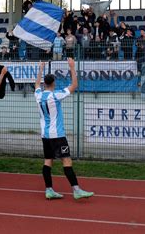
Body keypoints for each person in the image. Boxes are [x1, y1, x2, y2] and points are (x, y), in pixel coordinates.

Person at [34, 59, 93, 200]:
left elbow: (36, 85)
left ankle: (49, 190)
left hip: (45, 135)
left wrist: (40, 69)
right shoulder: (55, 95)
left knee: (48, 161)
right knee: (66, 161)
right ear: (53, 83)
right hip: (57, 135)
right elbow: (74, 85)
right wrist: (72, 67)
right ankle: (76, 190)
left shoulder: (38, 95)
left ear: (45, 84)